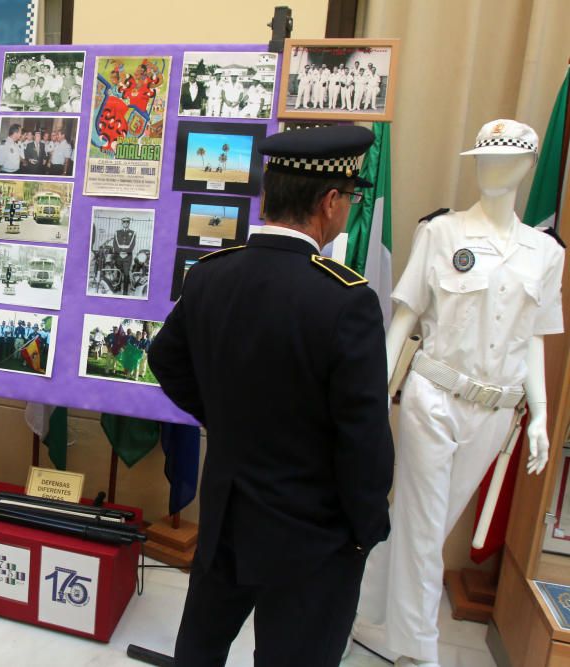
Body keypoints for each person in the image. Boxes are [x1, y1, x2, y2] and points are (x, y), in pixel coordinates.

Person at [148, 124, 394, 667]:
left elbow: (164, 358)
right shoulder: (346, 302)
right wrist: (365, 528)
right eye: (349, 197)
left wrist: (222, 415)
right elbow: (364, 438)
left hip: (227, 513)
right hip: (312, 534)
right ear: (330, 202)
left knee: (200, 651)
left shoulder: (210, 276)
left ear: (266, 196)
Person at [353, 120, 564, 667]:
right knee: (425, 530)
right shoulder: (441, 234)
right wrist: (373, 394)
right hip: (434, 396)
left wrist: (539, 414)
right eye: (483, 158)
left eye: (503, 159)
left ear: (525, 167)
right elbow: (404, 317)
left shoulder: (545, 253)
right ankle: (420, 653)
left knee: (430, 523)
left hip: (493, 411)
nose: (489, 169)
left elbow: (536, 336)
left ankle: (360, 602)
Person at [112, 217, 137, 295]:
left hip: (127, 256)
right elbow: (114, 244)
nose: (126, 224)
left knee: (126, 273)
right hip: (119, 256)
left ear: (129, 223)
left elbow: (132, 245)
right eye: (124, 222)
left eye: (127, 222)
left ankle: (125, 291)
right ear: (122, 223)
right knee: (119, 272)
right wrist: (120, 252)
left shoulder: (133, 233)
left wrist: (125, 252)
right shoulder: (117, 232)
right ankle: (118, 287)